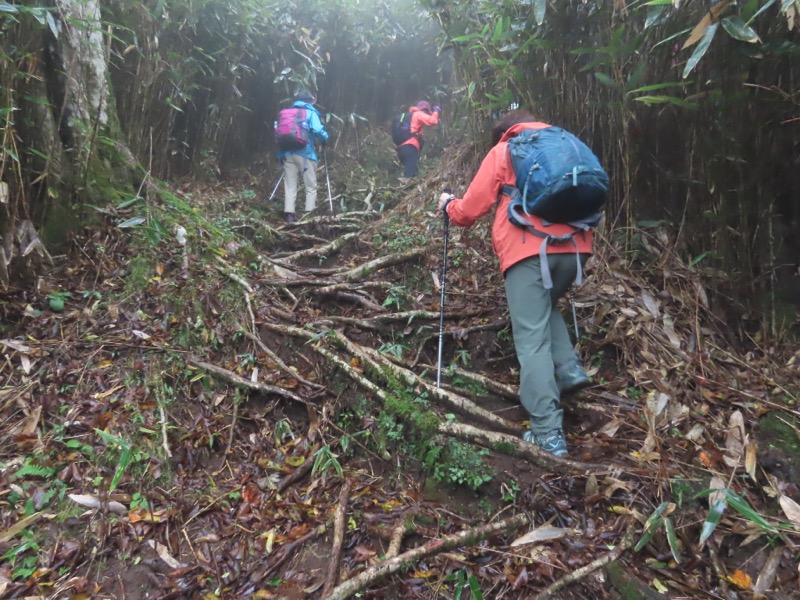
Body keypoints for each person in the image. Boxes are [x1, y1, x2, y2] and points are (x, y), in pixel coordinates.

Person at [438, 110, 593, 457]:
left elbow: (470, 209)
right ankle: (567, 369)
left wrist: (449, 206)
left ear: (503, 133)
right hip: (578, 250)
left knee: (531, 340)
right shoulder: (566, 142)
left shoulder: (506, 149)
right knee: (542, 308)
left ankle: (548, 434)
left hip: (529, 252)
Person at [277, 90, 329, 223]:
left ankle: (289, 214)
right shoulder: (310, 113)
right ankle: (309, 215)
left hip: (287, 154)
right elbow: (318, 130)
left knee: (290, 184)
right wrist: (325, 138)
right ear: (309, 101)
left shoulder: (287, 113)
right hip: (306, 154)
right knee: (310, 186)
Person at [396, 100, 441, 182]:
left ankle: (402, 189)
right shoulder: (418, 114)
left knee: (412, 172)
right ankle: (404, 191)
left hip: (401, 148)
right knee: (409, 177)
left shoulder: (411, 116)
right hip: (410, 147)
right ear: (425, 110)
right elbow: (433, 120)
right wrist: (436, 110)